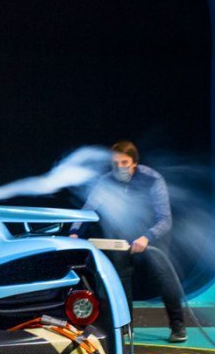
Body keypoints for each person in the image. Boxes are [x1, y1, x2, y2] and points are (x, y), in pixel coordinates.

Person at [74, 141, 188, 343]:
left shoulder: (152, 179)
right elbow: (88, 209)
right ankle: (126, 328)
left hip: (152, 233)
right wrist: (74, 232)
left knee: (163, 276)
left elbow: (165, 220)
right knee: (121, 279)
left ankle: (178, 325)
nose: (120, 167)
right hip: (123, 235)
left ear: (134, 163)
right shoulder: (105, 181)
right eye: (115, 163)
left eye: (124, 163)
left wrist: (147, 237)